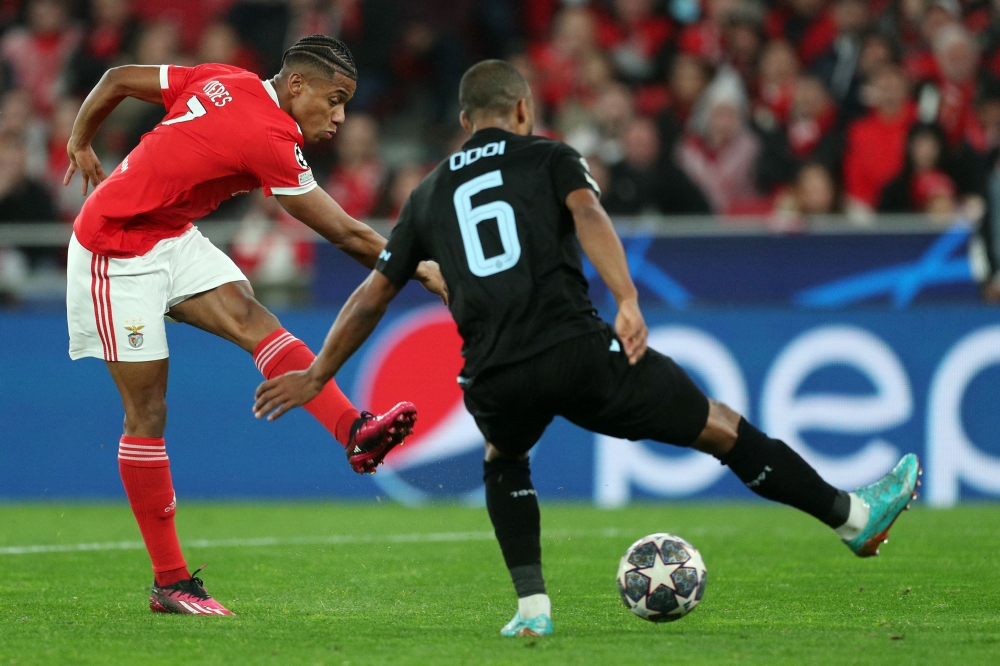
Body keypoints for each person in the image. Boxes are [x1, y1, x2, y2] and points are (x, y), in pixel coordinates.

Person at [253, 59, 920, 638]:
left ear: (463, 119)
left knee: (504, 458)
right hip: (575, 347)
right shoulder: (548, 155)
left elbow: (373, 294)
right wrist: (626, 297)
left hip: (492, 374)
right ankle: (853, 518)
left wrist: (318, 374)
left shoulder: (428, 194)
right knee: (720, 428)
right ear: (523, 109)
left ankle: (533, 607)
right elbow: (590, 214)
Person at [64, 35, 447, 616]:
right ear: (297, 86)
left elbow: (118, 77)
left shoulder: (228, 77)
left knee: (253, 318)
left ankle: (353, 430)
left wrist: (80, 138)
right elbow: (345, 233)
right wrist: (420, 269)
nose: (340, 116)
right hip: (114, 249)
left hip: (169, 234)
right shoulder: (270, 136)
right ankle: (170, 583)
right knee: (148, 412)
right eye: (335, 99)